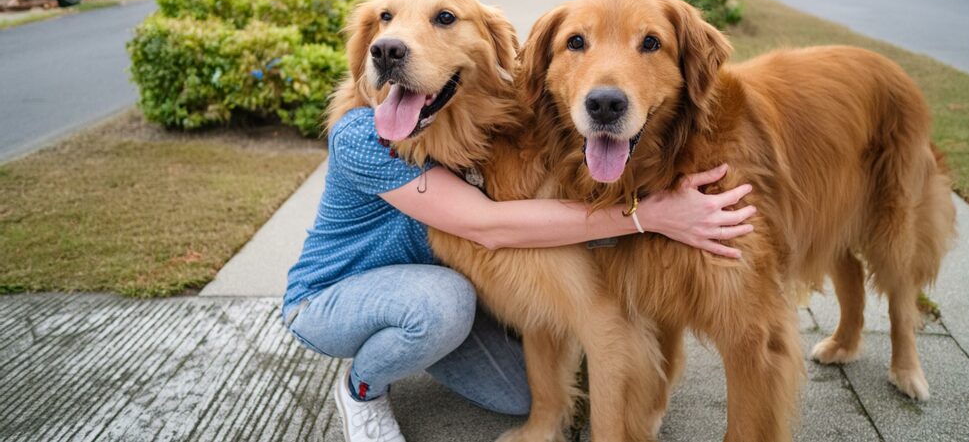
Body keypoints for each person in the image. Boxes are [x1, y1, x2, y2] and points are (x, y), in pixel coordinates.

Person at [283, 107, 756, 442]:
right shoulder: (366, 136)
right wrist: (646, 215)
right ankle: (362, 387)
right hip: (330, 300)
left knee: (517, 395)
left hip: (427, 292)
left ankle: (413, 344)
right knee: (442, 304)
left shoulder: (466, 128)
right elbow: (487, 225)